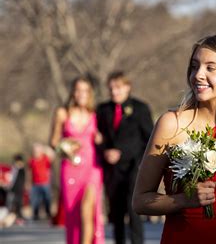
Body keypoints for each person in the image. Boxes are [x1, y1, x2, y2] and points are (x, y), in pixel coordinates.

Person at [132, 34, 216, 244]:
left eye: (210, 68)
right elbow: (140, 201)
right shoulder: (172, 123)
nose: (198, 74)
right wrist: (182, 200)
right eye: (194, 66)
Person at [96, 71, 153, 244]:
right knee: (116, 213)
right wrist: (105, 150)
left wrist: (123, 152)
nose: (114, 92)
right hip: (112, 170)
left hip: (134, 168)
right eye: (111, 88)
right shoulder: (103, 110)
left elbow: (149, 139)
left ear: (127, 87)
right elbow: (98, 137)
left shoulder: (140, 108)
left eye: (118, 87)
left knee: (133, 210)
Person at [49, 77, 105, 244]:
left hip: (93, 167)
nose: (81, 94)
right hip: (70, 168)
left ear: (90, 93)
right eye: (78, 90)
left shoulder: (95, 114)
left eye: (85, 90)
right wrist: (64, 146)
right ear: (73, 92)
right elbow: (53, 141)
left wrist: (100, 139)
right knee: (73, 216)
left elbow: (102, 139)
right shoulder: (62, 113)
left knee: (88, 211)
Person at [28, 142, 54, 221]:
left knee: (47, 199)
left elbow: (52, 156)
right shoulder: (31, 160)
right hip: (35, 183)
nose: (36, 152)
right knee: (35, 200)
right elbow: (29, 172)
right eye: (34, 150)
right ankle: (35, 214)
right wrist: (28, 183)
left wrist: (46, 149)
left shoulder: (45, 158)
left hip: (45, 183)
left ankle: (48, 213)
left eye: (37, 150)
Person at [6, 154, 26, 225]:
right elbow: (11, 179)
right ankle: (11, 218)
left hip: (19, 190)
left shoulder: (21, 169)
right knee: (10, 204)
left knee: (18, 205)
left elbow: (22, 179)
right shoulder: (14, 168)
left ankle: (19, 218)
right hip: (12, 189)